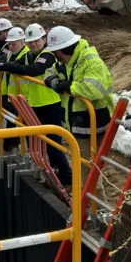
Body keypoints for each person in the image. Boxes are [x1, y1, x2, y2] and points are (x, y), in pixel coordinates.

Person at [0, 23, 72, 185]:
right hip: (34, 105)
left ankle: (66, 177)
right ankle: (46, 172)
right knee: (34, 141)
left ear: (44, 39)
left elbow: (35, 69)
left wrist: (7, 66)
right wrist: (8, 65)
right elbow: (19, 65)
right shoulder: (29, 55)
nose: (33, 44)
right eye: (30, 42)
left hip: (51, 105)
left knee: (53, 143)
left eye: (36, 40)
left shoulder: (48, 55)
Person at [43, 26, 114, 172]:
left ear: (60, 51)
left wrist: (69, 87)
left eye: (54, 52)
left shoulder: (91, 62)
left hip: (92, 124)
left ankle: (84, 195)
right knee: (83, 167)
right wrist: (52, 80)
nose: (54, 55)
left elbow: (93, 90)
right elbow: (48, 72)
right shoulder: (66, 63)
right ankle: (82, 194)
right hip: (76, 124)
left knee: (88, 171)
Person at [0, 27, 29, 152]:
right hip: (12, 97)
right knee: (11, 123)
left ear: (22, 42)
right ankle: (10, 148)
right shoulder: (10, 54)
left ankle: (19, 151)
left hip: (24, 99)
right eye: (9, 44)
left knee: (23, 128)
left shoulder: (26, 55)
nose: (11, 46)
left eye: (14, 44)